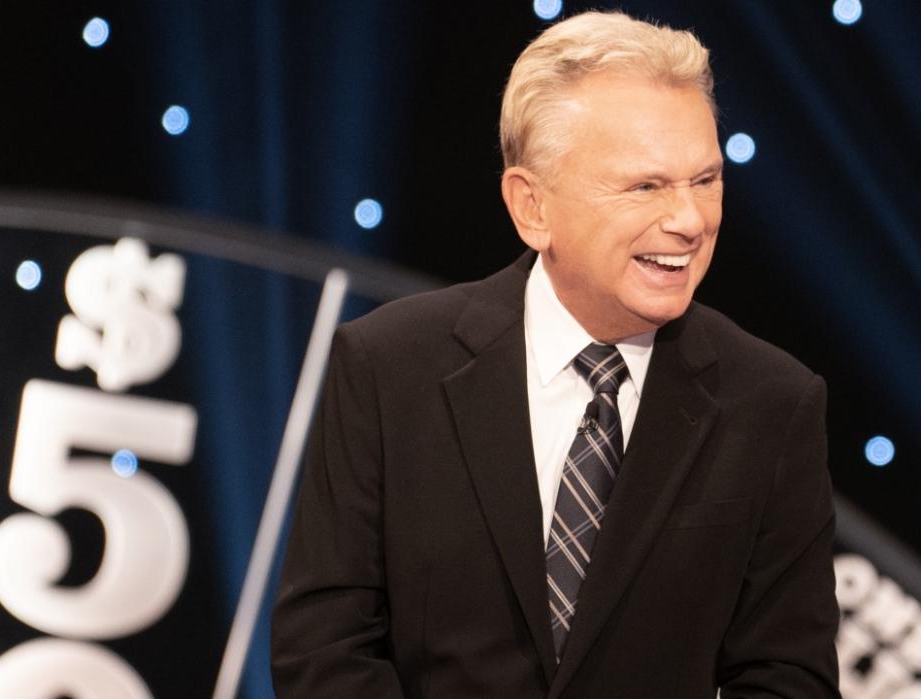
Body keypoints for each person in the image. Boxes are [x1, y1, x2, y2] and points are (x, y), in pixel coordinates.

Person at [271, 11, 839, 698]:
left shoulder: (774, 403)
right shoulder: (388, 366)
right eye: (646, 186)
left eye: (706, 179)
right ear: (531, 207)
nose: (690, 220)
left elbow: (787, 678)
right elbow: (323, 649)